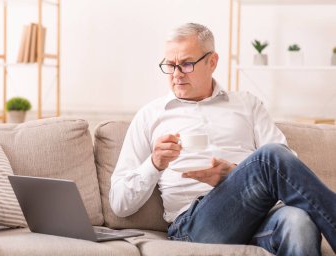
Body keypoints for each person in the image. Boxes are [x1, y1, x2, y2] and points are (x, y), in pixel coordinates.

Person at [109, 23, 336, 256]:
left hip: (261, 219)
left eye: (186, 64)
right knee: (270, 156)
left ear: (212, 62)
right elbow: (119, 203)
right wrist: (154, 164)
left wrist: (235, 174)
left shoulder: (247, 104)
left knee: (298, 220)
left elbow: (287, 168)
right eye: (170, 65)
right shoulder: (150, 115)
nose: (176, 74)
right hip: (196, 225)